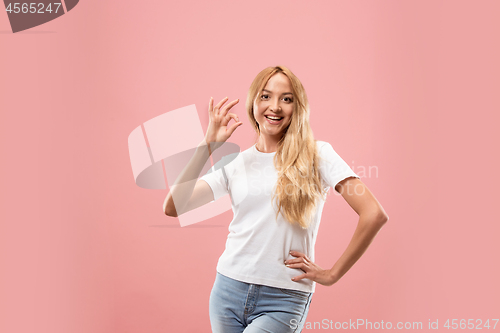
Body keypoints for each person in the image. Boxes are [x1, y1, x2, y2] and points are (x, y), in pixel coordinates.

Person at [163, 65, 389, 333]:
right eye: (265, 96)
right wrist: (208, 146)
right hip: (227, 289)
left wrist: (332, 274)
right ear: (253, 103)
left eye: (287, 99)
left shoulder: (318, 155)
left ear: (298, 107)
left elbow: (374, 213)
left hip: (284, 297)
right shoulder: (236, 162)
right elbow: (174, 206)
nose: (275, 107)